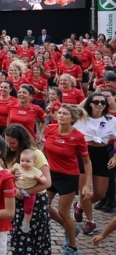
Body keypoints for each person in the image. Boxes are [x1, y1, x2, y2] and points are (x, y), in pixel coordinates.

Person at [43, 104, 92, 255]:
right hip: (50, 174)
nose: (61, 115)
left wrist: (87, 185)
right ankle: (70, 228)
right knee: (43, 206)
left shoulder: (78, 136)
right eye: (59, 113)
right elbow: (43, 152)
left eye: (65, 114)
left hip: (68, 177)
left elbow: (87, 162)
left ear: (73, 118)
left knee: (63, 212)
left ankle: (72, 248)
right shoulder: (50, 129)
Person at [4, 124, 52, 255]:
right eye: (7, 142)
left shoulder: (35, 154)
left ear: (21, 140)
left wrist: (24, 193)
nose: (9, 146)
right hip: (15, 199)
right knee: (17, 236)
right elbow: (5, 176)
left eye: (12, 143)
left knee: (36, 237)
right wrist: (13, 185)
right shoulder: (8, 153)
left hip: (35, 202)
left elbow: (47, 182)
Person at [73, 92, 116, 234]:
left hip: (102, 154)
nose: (100, 105)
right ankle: (91, 222)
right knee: (84, 191)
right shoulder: (81, 118)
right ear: (90, 103)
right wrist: (94, 93)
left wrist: (115, 156)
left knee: (100, 194)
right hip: (84, 154)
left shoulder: (111, 119)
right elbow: (74, 109)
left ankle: (79, 206)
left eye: (103, 102)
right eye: (96, 102)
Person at [12, 148, 48, 232]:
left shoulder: (36, 171)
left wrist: (39, 178)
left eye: (28, 161)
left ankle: (26, 223)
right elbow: (8, 172)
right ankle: (10, 217)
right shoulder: (17, 166)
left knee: (28, 209)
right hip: (17, 188)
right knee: (10, 202)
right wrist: (12, 172)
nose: (24, 163)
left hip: (30, 193)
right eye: (22, 160)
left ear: (34, 163)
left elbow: (45, 181)